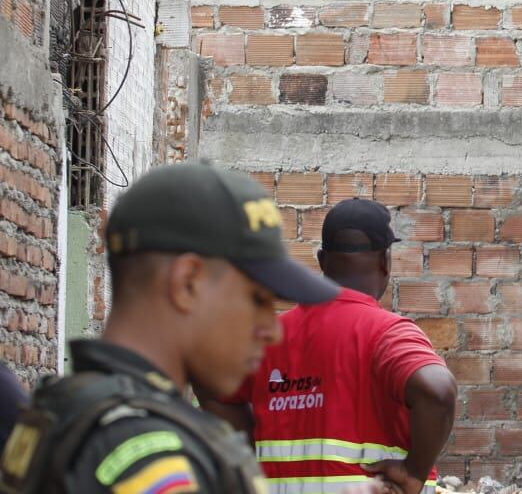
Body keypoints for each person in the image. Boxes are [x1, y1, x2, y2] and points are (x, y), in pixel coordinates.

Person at [0, 162, 343, 493]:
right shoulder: (147, 454)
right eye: (257, 299)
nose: (273, 330)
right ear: (188, 282)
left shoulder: (67, 408)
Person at [205, 198, 458, 493]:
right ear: (385, 262)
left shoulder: (266, 336)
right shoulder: (387, 334)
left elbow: (209, 385)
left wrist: (251, 452)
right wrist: (414, 473)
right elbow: (438, 392)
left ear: (322, 261)